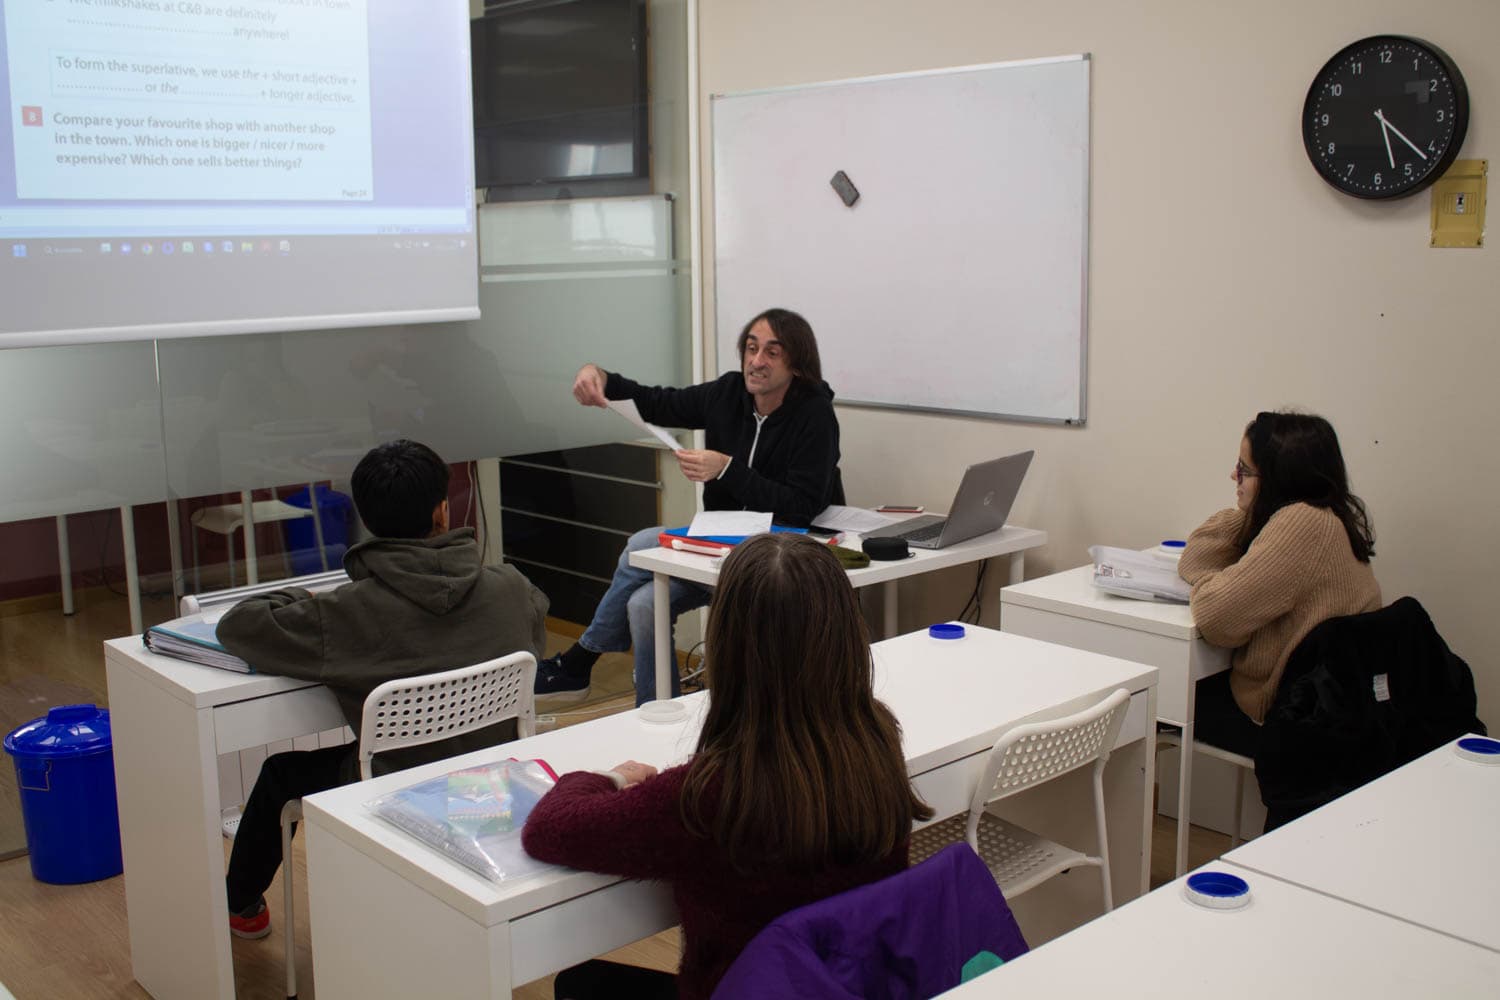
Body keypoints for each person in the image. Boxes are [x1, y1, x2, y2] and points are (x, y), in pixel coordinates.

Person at [522, 533, 932, 1000]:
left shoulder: (709, 795)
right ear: (846, 636)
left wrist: (607, 778)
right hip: (850, 986)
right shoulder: (876, 740)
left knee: (580, 984)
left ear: (727, 645)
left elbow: (548, 829)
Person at [215, 439, 548, 939]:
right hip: (490, 788)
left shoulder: (343, 613)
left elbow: (238, 625)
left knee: (280, 772)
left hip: (398, 793)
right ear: (442, 511)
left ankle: (241, 905)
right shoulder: (512, 588)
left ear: (366, 522)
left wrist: (300, 594)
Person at [536, 307, 842, 705]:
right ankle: (657, 713)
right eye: (751, 348)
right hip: (724, 545)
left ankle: (580, 661)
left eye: (772, 352)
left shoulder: (814, 414)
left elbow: (800, 507)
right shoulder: (728, 394)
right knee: (643, 604)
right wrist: (602, 378)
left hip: (785, 554)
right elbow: (657, 403)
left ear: (797, 364)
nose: (756, 361)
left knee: (640, 545)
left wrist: (727, 468)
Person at [1177, 411, 1381, 757]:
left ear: (1277, 479)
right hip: (1336, 709)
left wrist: (1218, 583)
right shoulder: (1329, 515)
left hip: (1297, 722)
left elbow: (1214, 616)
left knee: (1164, 694)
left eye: (1244, 470)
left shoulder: (1301, 524)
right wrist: (1252, 511)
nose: (1233, 476)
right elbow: (1194, 557)